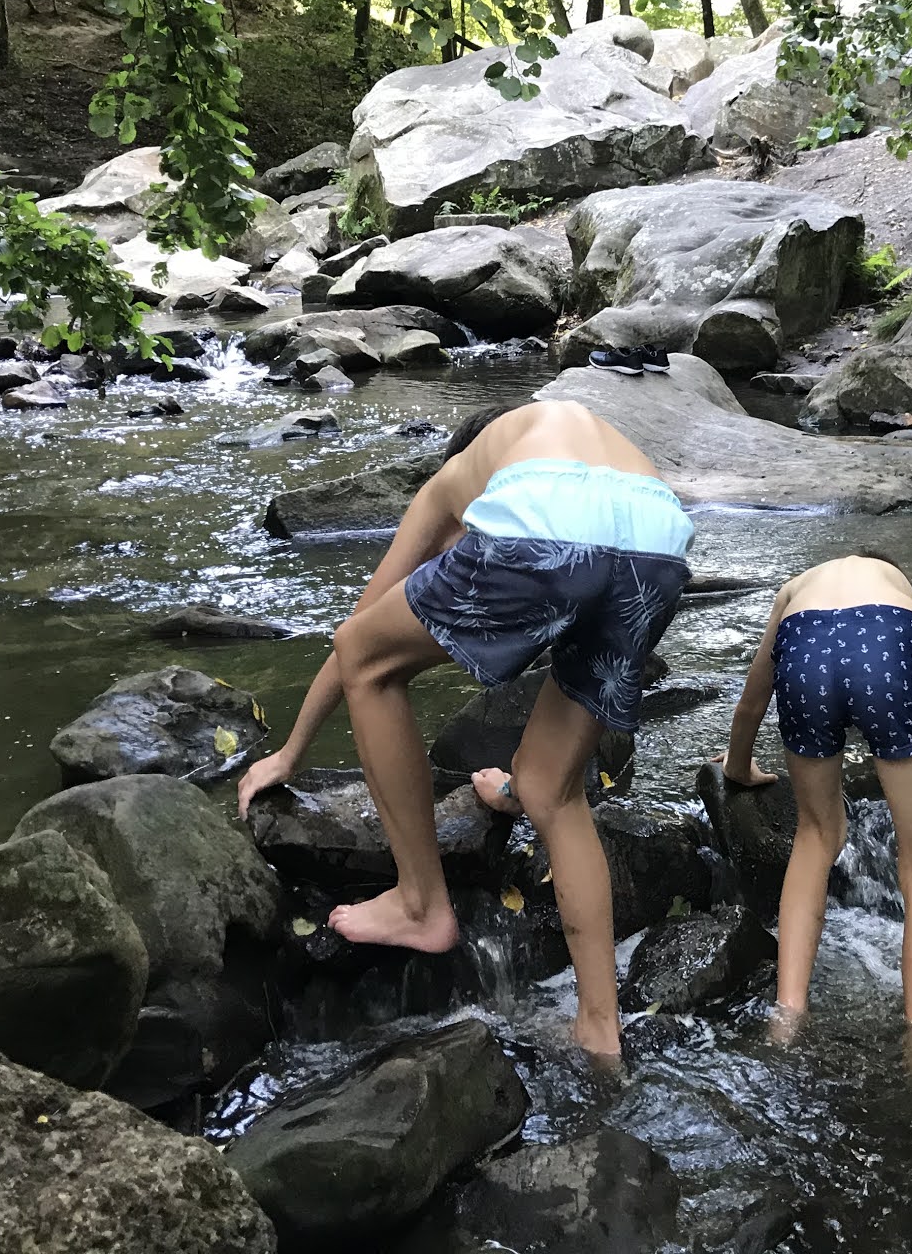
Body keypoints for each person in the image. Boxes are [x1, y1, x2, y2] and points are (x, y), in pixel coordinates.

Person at [235, 400, 693, 1057]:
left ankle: (421, 903)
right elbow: (587, 570)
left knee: (370, 660)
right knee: (553, 791)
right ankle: (600, 1026)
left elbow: (355, 642)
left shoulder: (452, 481)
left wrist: (291, 752)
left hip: (549, 521)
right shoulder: (571, 438)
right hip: (660, 536)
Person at [712, 553, 912, 1037]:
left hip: (805, 646)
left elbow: (751, 700)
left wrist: (737, 769)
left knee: (816, 835)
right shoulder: (905, 595)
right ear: (889, 568)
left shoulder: (796, 589)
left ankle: (787, 1016)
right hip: (886, 645)